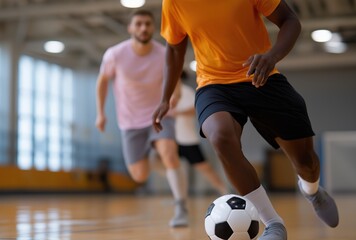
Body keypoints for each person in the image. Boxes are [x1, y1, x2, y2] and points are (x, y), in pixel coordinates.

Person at [153, 0, 339, 239]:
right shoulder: (174, 3)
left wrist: (272, 56)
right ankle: (273, 223)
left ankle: (311, 190)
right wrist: (165, 97)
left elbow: (290, 20)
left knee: (306, 162)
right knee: (220, 137)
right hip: (214, 84)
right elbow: (175, 47)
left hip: (262, 75)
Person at [95, 10, 188, 227]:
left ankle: (181, 207)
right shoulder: (115, 54)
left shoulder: (164, 53)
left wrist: (175, 96)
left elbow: (176, 83)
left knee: (169, 152)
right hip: (129, 121)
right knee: (139, 175)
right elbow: (102, 81)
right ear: (130, 28)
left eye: (147, 24)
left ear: (153, 28)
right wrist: (100, 113)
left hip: (160, 115)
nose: (143, 28)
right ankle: (155, 159)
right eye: (138, 24)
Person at [175, 71, 227, 195]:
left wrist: (175, 112)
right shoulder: (166, 94)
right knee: (163, 162)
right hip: (171, 140)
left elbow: (194, 110)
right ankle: (179, 197)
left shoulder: (186, 92)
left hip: (187, 139)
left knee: (205, 169)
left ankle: (224, 191)